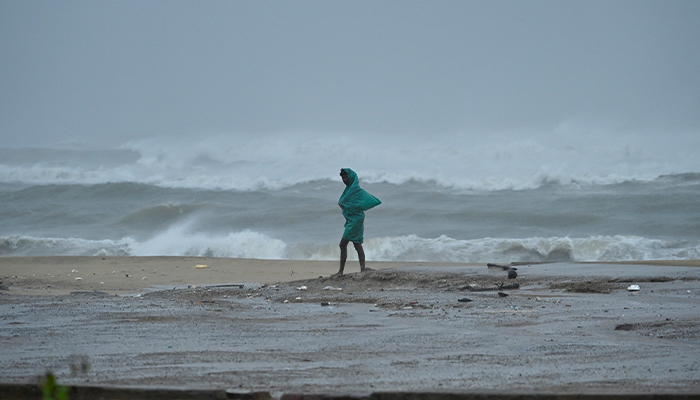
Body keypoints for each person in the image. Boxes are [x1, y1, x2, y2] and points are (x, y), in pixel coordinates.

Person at [334, 168, 381, 275]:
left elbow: (370, 200)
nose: (344, 180)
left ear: (351, 177)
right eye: (343, 178)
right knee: (357, 244)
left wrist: (354, 208)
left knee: (343, 244)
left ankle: (341, 271)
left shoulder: (357, 190)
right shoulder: (348, 190)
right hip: (351, 220)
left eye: (346, 177)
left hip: (356, 221)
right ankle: (362, 269)